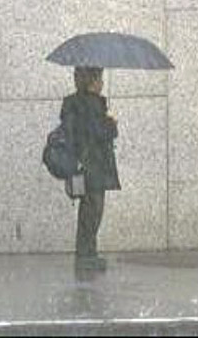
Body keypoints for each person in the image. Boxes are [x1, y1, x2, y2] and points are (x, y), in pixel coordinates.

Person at [60, 66, 120, 270]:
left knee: (86, 210)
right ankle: (88, 255)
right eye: (99, 79)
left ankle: (85, 253)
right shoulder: (93, 104)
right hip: (95, 165)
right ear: (91, 81)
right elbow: (100, 133)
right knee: (94, 210)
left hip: (79, 165)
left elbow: (72, 132)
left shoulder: (71, 103)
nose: (102, 83)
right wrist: (112, 124)